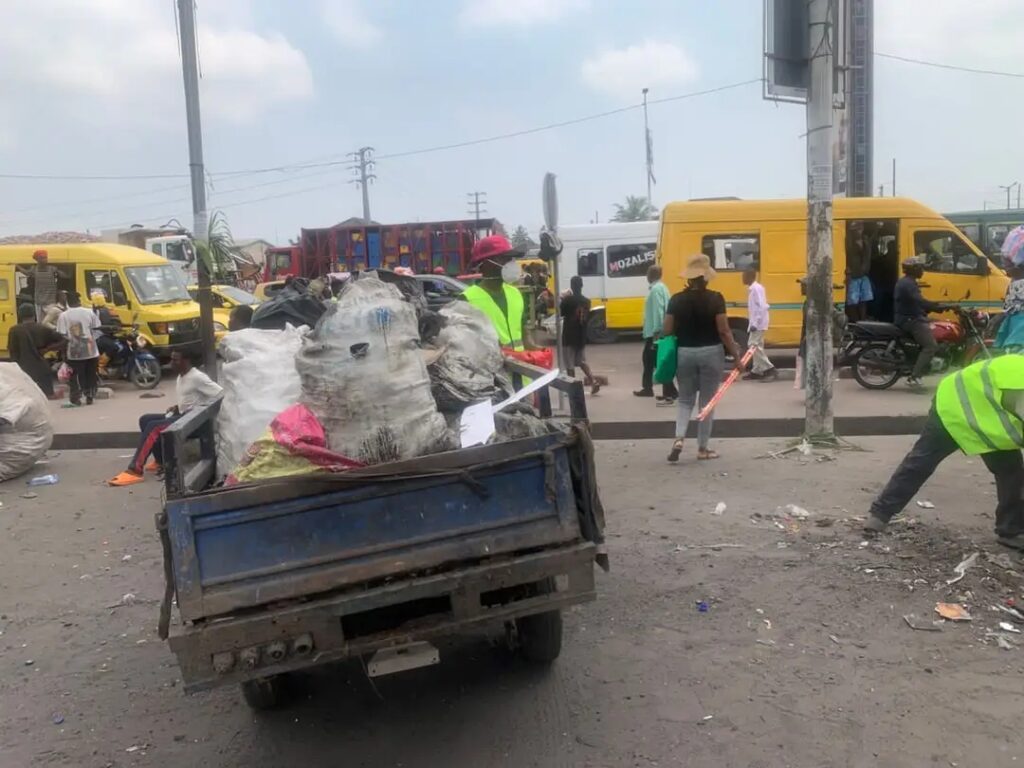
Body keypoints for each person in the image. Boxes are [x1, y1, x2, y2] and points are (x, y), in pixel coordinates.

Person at [864, 355, 1024, 549]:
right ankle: (880, 515)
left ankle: (1010, 531)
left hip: (986, 421)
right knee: (921, 462)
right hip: (953, 408)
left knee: (1011, 471)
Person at [664, 254, 745, 463]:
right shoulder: (716, 298)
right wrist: (737, 357)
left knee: (684, 400)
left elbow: (667, 330)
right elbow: (725, 331)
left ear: (689, 278)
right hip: (711, 352)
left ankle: (679, 438)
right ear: (706, 277)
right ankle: (703, 448)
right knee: (707, 402)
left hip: (684, 353)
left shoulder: (676, 300)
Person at [107, 349, 223, 487]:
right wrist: (177, 407)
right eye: (172, 359)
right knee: (145, 419)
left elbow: (220, 394)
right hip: (182, 416)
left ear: (186, 361)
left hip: (194, 423)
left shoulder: (198, 377)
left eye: (175, 360)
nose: (171, 363)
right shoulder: (181, 376)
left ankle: (134, 470)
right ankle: (160, 461)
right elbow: (189, 398)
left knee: (154, 427)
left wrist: (200, 410)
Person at [462, 235, 532, 352]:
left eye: (511, 259)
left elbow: (523, 331)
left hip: (521, 368)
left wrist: (536, 354)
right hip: (491, 369)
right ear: (485, 264)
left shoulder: (516, 294)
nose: (511, 263)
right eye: (504, 258)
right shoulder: (466, 300)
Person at [894, 256, 946, 388]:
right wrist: (936, 306)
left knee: (941, 324)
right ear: (914, 269)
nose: (923, 270)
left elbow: (915, 303)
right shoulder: (908, 284)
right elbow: (919, 300)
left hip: (912, 317)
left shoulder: (908, 282)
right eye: (921, 268)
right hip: (911, 320)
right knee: (930, 346)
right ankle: (914, 377)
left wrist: (938, 307)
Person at [635, 265, 678, 404]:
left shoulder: (655, 290)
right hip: (658, 332)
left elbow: (659, 311)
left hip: (655, 333)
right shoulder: (663, 288)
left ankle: (657, 390)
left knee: (651, 360)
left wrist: (657, 331)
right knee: (657, 361)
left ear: (651, 275)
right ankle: (665, 390)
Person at [7, 303, 66, 397]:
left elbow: (12, 351)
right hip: (42, 368)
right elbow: (64, 341)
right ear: (34, 314)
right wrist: (47, 349)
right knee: (49, 395)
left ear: (19, 315)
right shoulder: (42, 328)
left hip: (23, 369)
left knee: (23, 395)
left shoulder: (14, 330)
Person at [56, 291, 101, 406]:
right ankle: (90, 396)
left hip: (74, 353)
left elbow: (62, 334)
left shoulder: (64, 315)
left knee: (75, 376)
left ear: (68, 302)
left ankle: (76, 398)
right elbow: (97, 329)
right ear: (79, 300)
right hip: (91, 351)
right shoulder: (89, 312)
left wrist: (71, 342)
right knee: (90, 374)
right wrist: (91, 340)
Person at [559, 276, 603, 394]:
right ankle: (593, 381)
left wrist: (563, 298)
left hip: (569, 336)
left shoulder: (567, 301)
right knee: (581, 361)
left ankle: (573, 390)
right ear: (582, 286)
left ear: (572, 286)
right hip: (581, 336)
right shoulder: (587, 301)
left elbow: (561, 313)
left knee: (570, 364)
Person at [742, 266, 777, 381]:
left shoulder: (756, 289)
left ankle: (769, 368)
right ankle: (756, 370)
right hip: (758, 321)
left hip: (759, 322)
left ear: (750, 277)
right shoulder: (754, 288)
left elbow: (761, 307)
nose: (742, 278)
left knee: (753, 345)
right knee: (757, 345)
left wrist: (755, 323)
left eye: (744, 276)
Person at [16, 250, 62, 322]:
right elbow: (26, 273)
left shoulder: (52, 268)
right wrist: (16, 266)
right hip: (39, 302)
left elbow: (65, 275)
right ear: (37, 259)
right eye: (42, 258)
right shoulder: (34, 269)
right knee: (41, 323)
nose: (45, 259)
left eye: (45, 257)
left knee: (54, 322)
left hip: (50, 302)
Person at [845, 222, 874, 322]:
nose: (859, 231)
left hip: (864, 274)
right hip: (853, 275)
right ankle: (855, 322)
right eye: (856, 229)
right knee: (852, 302)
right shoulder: (849, 241)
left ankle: (862, 321)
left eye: (860, 228)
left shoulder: (865, 240)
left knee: (864, 300)